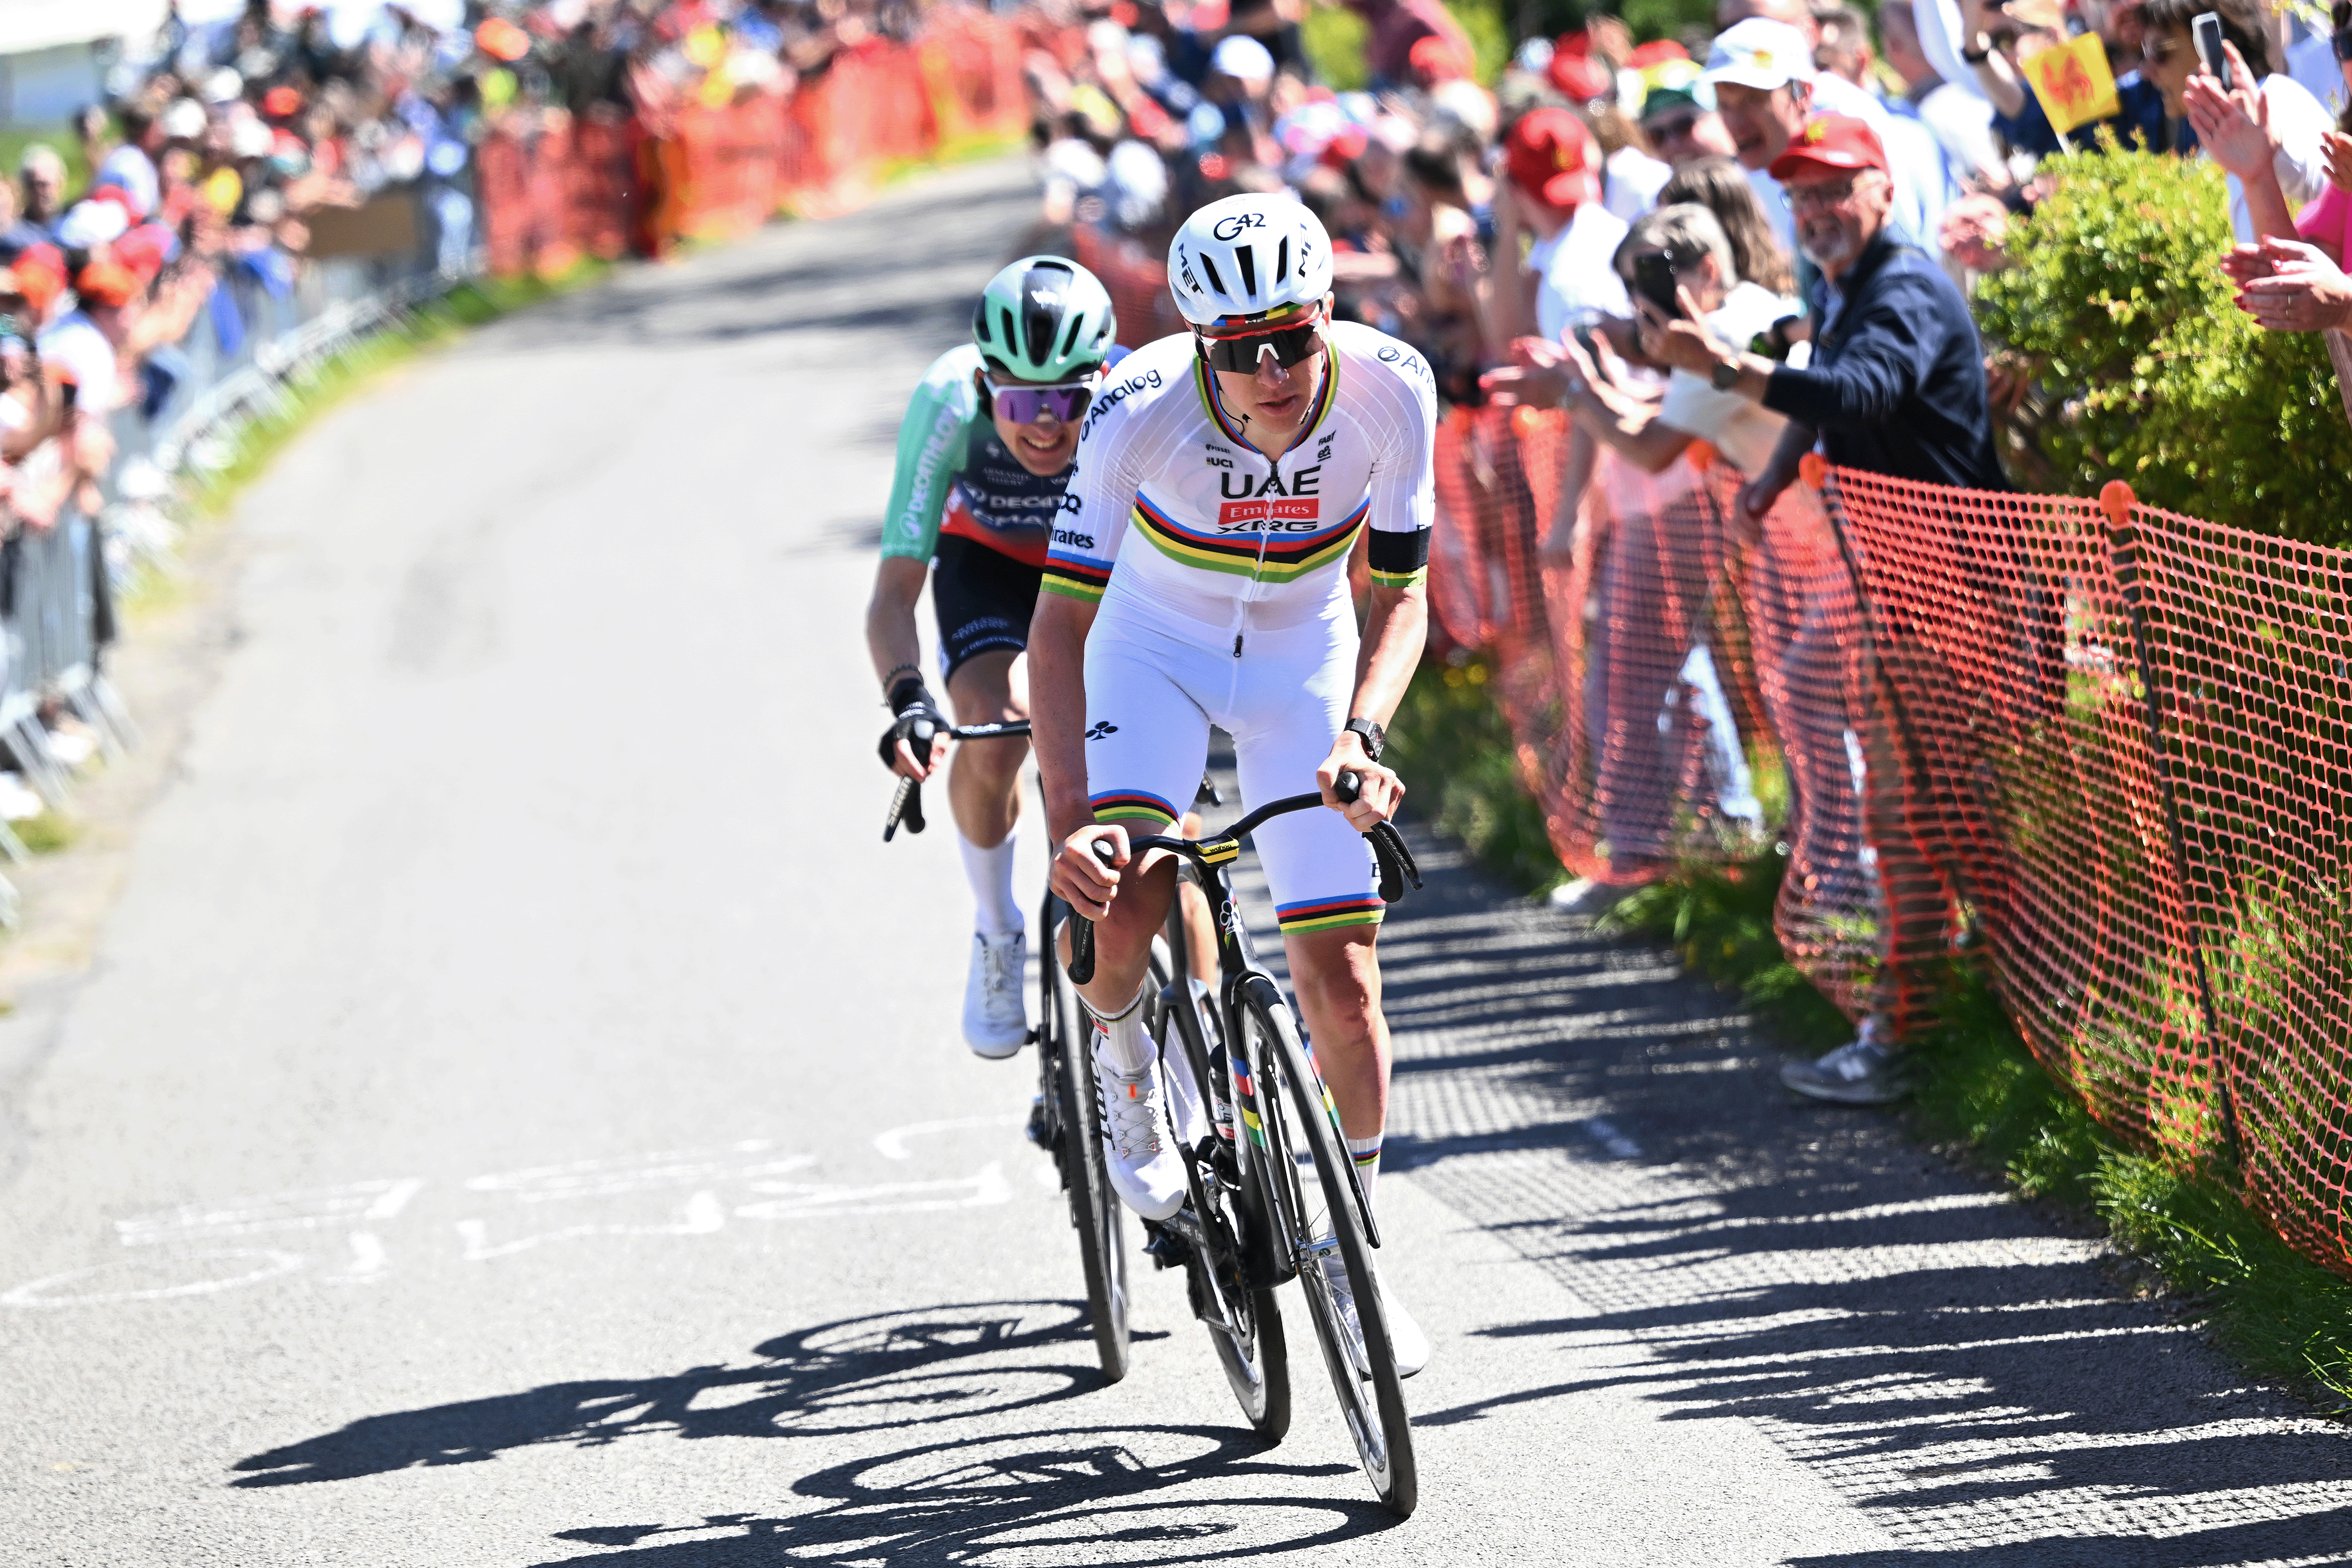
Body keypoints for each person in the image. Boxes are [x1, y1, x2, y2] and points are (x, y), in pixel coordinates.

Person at [1031, 193, 1436, 1376]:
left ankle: (1353, 1254)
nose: (1271, 370)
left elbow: (1401, 592)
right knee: (1132, 891)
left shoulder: (1393, 388)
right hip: (1152, 649)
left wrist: (1364, 731)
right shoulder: (1132, 415)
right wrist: (1072, 820)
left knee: (1344, 977)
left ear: (1328, 315)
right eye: (1239, 349)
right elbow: (1058, 627)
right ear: (1199, 344)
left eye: (1293, 339)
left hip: (1303, 659)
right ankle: (1125, 1076)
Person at [1637, 115, 2007, 1105]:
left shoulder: (1905, 285)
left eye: (1835, 190)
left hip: (1951, 592)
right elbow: (1828, 391)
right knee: (1926, 808)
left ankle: (1931, 1025)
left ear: (1882, 188)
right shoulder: (1850, 285)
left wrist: (1720, 367)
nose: (1815, 213)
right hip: (1904, 587)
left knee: (1932, 810)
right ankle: (1948, 1013)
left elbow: (1860, 387)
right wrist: (1770, 472)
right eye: (1799, 197)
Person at [866, 257, 1121, 1058]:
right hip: (991, 573)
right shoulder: (946, 400)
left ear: (1103, 381)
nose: (1044, 423)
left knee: (1152, 796)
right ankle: (997, 928)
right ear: (984, 384)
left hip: (1104, 578)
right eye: (1019, 400)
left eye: (1066, 401)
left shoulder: (1132, 403)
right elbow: (894, 591)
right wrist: (908, 697)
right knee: (995, 720)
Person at [2139, 0, 2332, 241]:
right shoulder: (2213, 147)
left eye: (2159, 53)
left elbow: (2323, 184)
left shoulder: (2277, 101)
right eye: (2144, 53)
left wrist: (2271, 145)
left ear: (2212, 46)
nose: (2145, 71)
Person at [1492, 107, 1632, 345]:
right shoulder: (1620, 231)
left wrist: (1507, 224)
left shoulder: (1566, 282)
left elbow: (1508, 344)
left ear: (1513, 188)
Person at [1639, 82, 1741, 167]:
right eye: (1657, 136)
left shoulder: (1755, 177)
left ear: (1723, 119)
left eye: (1683, 126)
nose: (1671, 145)